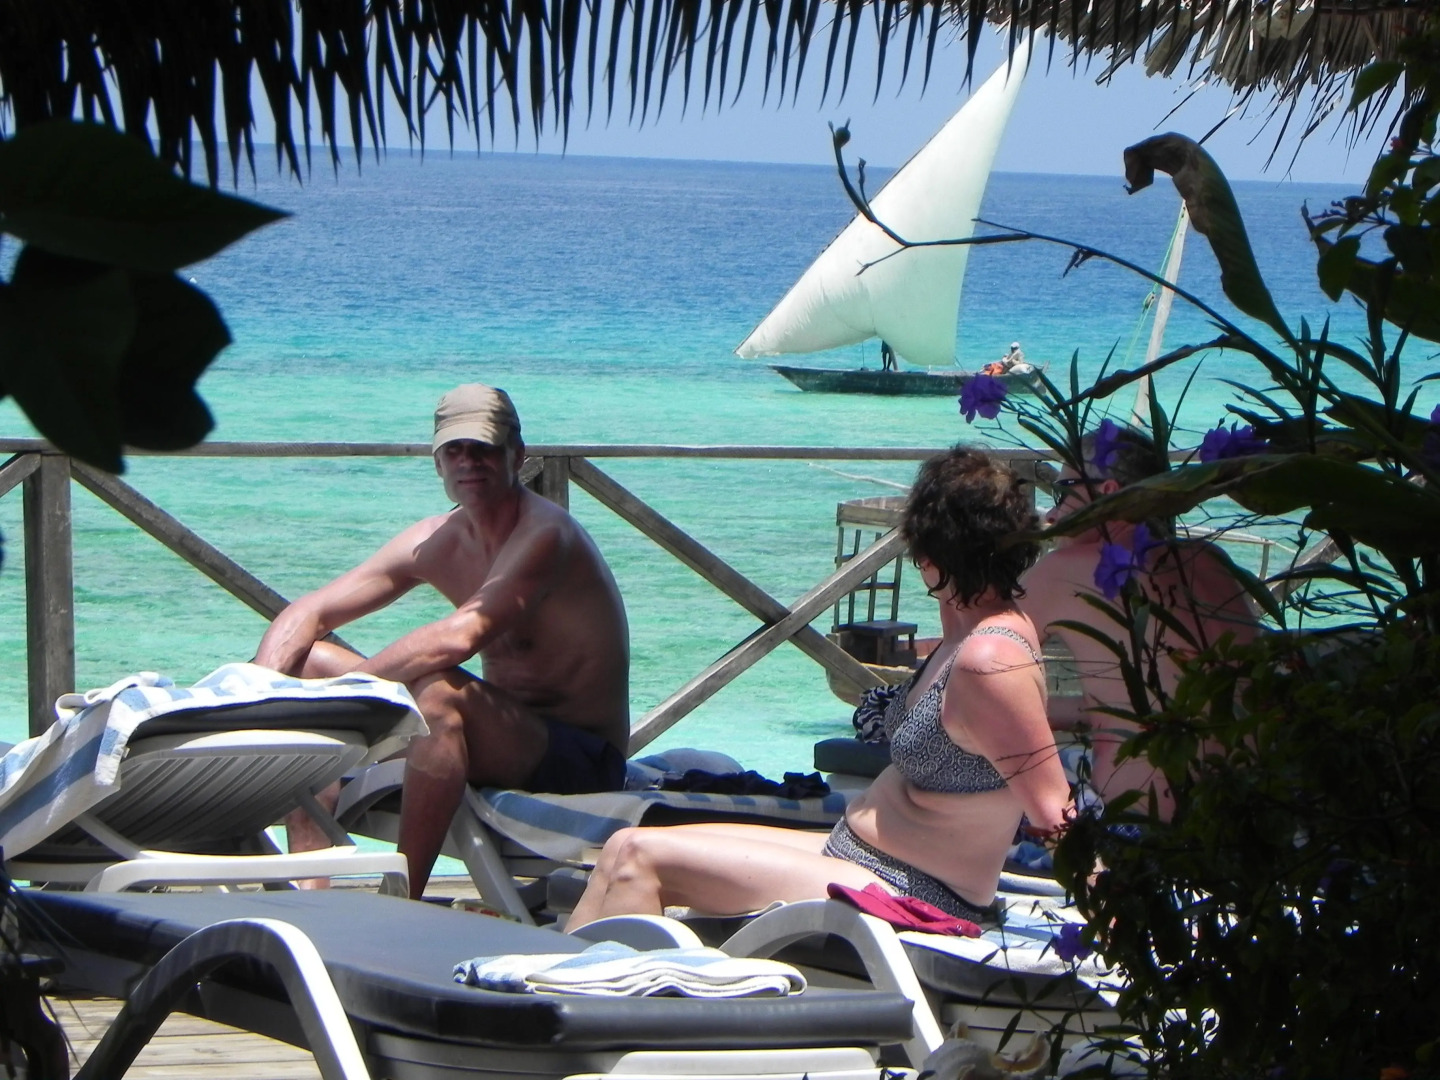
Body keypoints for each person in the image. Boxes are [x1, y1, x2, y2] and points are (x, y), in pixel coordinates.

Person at [566, 446, 1071, 930]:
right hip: (854, 856)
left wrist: (1118, 917)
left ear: (933, 548)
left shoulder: (991, 660)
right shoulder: (961, 632)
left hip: (911, 890)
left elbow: (1054, 809)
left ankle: (609, 1007)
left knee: (640, 860)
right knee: (623, 844)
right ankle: (541, 1000)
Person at [255, 383, 631, 898]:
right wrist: (257, 695)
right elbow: (309, 611)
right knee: (307, 665)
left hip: (579, 759)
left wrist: (346, 697)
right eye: (454, 449)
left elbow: (457, 638)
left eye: (484, 448)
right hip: (497, 737)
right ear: (437, 463)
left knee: (438, 693)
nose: (468, 462)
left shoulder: (545, 534)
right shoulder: (437, 539)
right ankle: (308, 882)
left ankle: (402, 896)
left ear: (517, 456)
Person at [1019, 424, 1259, 821]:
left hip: (1141, 826)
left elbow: (969, 677)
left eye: (1063, 493)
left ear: (1107, 494)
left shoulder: (1063, 571)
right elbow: (1153, 701)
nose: (1051, 512)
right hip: (1246, 813)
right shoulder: (1210, 559)